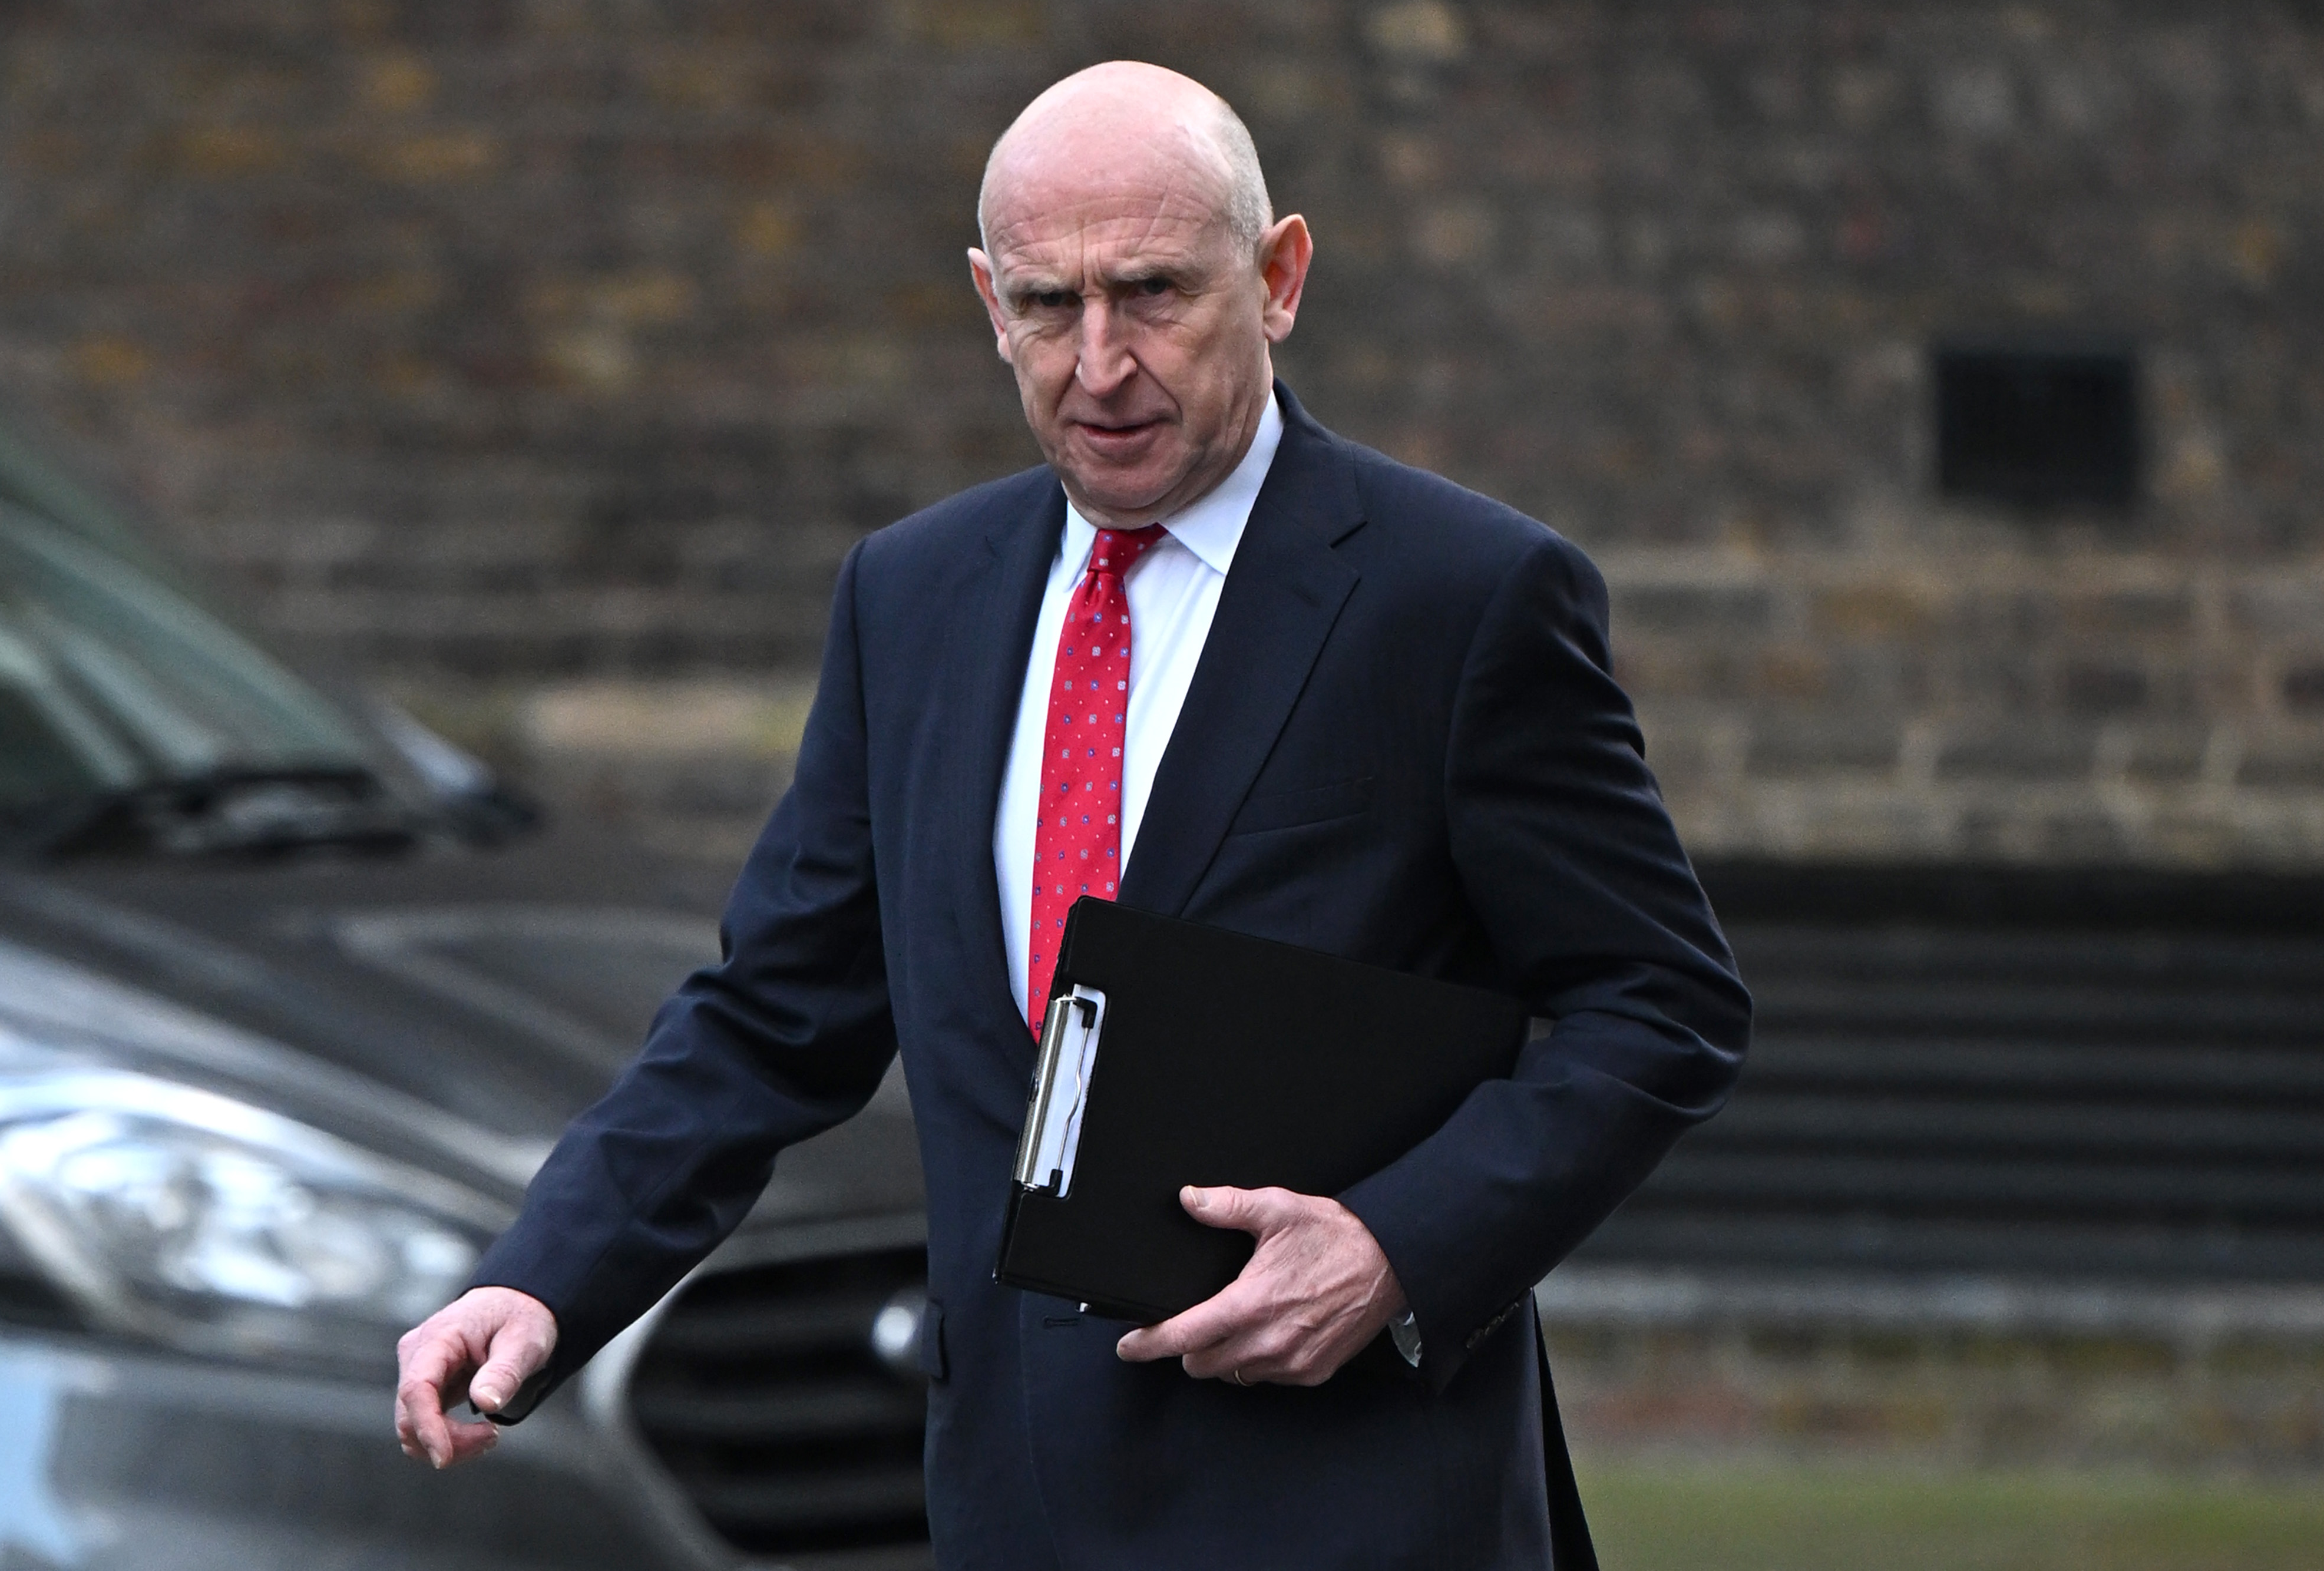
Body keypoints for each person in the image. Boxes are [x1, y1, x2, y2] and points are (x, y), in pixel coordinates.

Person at [395, 60, 1749, 1570]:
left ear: (1279, 277)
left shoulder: (1461, 598)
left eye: (1153, 292)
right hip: (1015, 1499)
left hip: (1362, 1500)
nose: (1098, 362)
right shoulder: (909, 597)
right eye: (1048, 305)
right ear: (988, 301)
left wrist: (1395, 1248)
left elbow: (1659, 1001)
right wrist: (544, 1275)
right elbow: (772, 1013)